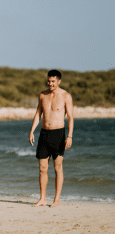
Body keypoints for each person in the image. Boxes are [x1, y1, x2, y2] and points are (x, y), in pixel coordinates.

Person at [29, 69, 74, 208]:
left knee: (57, 167)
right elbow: (38, 114)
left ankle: (56, 199)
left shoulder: (66, 96)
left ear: (59, 81)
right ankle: (42, 199)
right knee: (42, 168)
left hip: (58, 134)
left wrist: (69, 136)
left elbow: (71, 117)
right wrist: (32, 131)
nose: (50, 84)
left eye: (53, 81)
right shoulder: (42, 95)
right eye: (49, 81)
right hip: (44, 134)